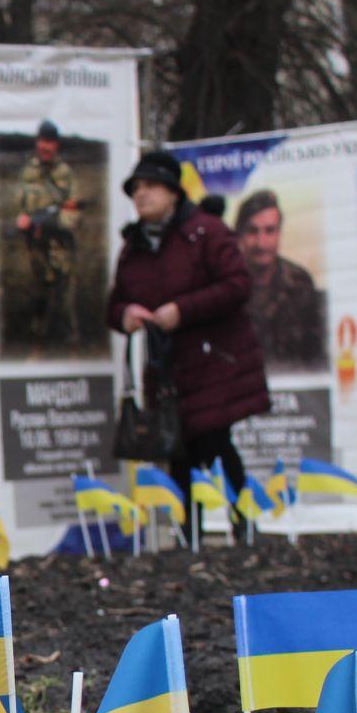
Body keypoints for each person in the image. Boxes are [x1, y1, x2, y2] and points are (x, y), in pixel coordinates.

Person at [106, 150, 267, 527]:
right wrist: (126, 314)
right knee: (179, 449)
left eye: (150, 186)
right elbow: (113, 305)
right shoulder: (134, 248)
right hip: (168, 373)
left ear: (174, 192)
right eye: (136, 189)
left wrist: (182, 310)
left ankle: (240, 525)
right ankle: (192, 533)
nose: (141, 195)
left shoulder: (207, 232)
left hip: (215, 364)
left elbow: (238, 285)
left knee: (212, 442)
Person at [233, 190, 326, 371]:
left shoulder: (300, 282)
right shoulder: (226, 284)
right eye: (253, 231)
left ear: (279, 233)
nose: (261, 242)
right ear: (240, 236)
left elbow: (315, 357)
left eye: (270, 231)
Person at [15, 120, 80, 347]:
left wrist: (52, 222)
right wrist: (23, 219)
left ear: (57, 145)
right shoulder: (27, 172)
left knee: (65, 296)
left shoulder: (66, 174)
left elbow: (74, 212)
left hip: (60, 246)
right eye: (42, 141)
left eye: (50, 142)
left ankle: (70, 342)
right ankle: (37, 339)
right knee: (37, 292)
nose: (45, 147)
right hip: (35, 245)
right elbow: (20, 206)